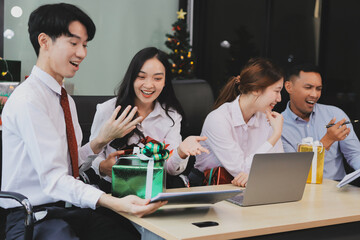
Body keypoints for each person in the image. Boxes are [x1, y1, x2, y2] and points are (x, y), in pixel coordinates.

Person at [1, 3, 166, 240]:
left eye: (85, 44)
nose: (82, 53)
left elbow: (67, 165)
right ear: (44, 42)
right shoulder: (30, 100)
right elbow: (55, 179)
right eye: (74, 43)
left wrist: (100, 140)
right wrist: (115, 203)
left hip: (65, 209)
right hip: (32, 216)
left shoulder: (63, 97)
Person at [89, 47, 209, 191]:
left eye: (157, 78)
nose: (149, 85)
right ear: (131, 78)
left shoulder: (171, 116)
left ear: (165, 82)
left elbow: (170, 169)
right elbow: (90, 154)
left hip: (155, 190)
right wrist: (102, 167)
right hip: (114, 188)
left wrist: (181, 151)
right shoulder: (108, 110)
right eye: (141, 77)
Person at [192, 57, 284, 187]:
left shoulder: (266, 119)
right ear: (256, 89)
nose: (279, 98)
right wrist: (275, 135)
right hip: (210, 190)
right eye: (276, 91)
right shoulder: (218, 119)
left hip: (252, 188)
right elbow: (242, 170)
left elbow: (279, 167)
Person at [281, 64, 360, 180]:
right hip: (300, 190)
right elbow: (294, 170)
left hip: (337, 190)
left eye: (318, 89)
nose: (315, 94)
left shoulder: (335, 114)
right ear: (289, 87)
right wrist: (327, 140)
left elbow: (355, 154)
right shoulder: (278, 125)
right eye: (308, 87)